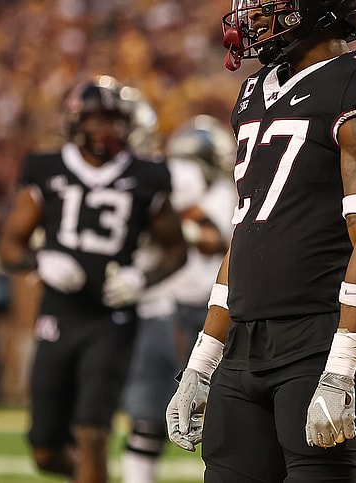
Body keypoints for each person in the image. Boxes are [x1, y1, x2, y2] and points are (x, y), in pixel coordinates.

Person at [166, 1, 356, 481]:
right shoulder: (253, 92)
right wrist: (203, 361)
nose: (252, 19)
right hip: (244, 339)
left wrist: (341, 367)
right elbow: (247, 232)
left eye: (269, 6)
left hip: (319, 338)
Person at [0, 75, 187, 482]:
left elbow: (176, 250)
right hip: (58, 315)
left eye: (114, 119)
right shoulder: (46, 170)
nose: (107, 129)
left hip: (113, 318)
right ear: (76, 122)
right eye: (98, 119)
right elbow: (8, 246)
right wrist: (39, 260)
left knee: (92, 432)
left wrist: (142, 278)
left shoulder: (147, 175)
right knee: (45, 450)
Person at [121, 114, 237, 483]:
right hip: (168, 309)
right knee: (149, 417)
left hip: (206, 313)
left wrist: (170, 227)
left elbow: (212, 238)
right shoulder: (185, 188)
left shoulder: (219, 194)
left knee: (224, 417)